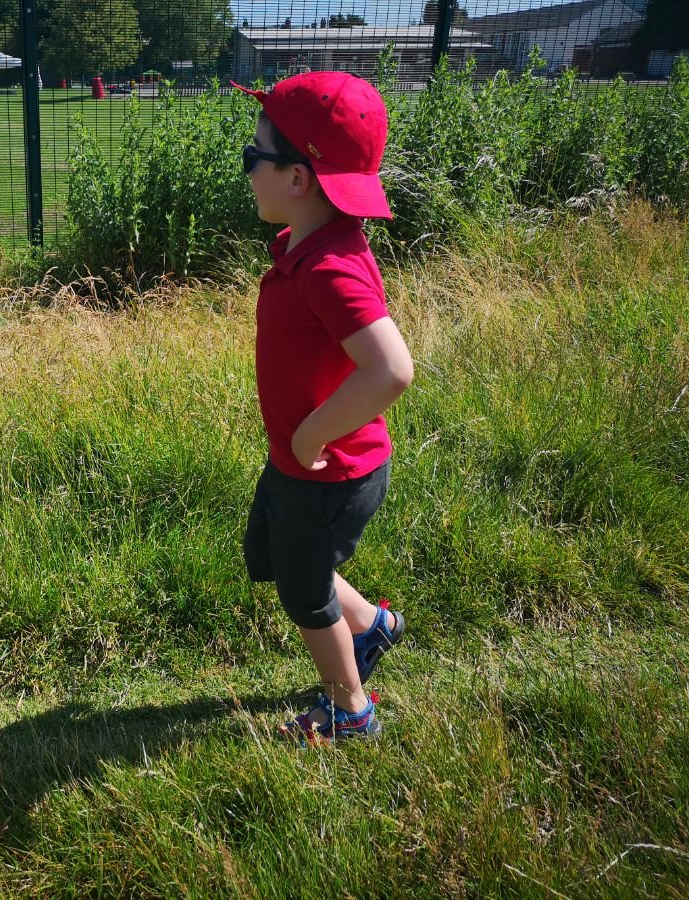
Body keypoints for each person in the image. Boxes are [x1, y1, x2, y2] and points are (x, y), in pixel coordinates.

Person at [232, 71, 413, 743]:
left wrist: (311, 434)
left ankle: (348, 708)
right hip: (303, 464)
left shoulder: (329, 268)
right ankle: (373, 627)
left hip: (326, 472)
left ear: (298, 179)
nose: (247, 169)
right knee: (276, 555)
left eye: (253, 155)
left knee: (306, 593)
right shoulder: (309, 247)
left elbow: (391, 369)